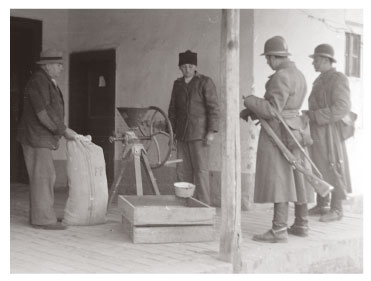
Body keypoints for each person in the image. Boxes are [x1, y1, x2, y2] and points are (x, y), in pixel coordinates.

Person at [241, 36, 313, 243]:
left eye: (268, 59)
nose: (267, 62)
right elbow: (286, 106)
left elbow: (273, 109)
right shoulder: (298, 75)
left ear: (273, 57)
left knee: (279, 179)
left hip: (279, 133)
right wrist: (251, 111)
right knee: (298, 176)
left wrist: (250, 100)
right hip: (295, 129)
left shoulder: (280, 76)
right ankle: (301, 223)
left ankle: (279, 230)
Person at [17, 49, 77, 230]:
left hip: (40, 136)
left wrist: (61, 129)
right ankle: (44, 219)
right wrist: (63, 130)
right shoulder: (38, 82)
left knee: (44, 176)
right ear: (47, 66)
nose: (61, 68)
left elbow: (49, 111)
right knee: (43, 177)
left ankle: (42, 215)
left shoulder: (46, 81)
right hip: (36, 136)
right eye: (58, 65)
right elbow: (42, 113)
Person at [305, 44, 352, 222]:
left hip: (330, 131)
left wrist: (316, 116)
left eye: (315, 60)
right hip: (318, 129)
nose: (313, 63)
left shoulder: (338, 78)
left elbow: (342, 107)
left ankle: (337, 209)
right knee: (319, 166)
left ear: (325, 60)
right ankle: (322, 203)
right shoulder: (321, 79)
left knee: (334, 166)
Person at [168, 50, 219, 205]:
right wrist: (172, 134)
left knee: (201, 171)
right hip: (182, 135)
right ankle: (185, 203)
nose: (187, 69)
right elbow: (172, 110)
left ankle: (204, 205)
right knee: (183, 172)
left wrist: (211, 131)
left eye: (190, 66)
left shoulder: (205, 82)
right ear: (180, 68)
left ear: (195, 66)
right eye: (183, 67)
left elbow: (213, 108)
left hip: (200, 135)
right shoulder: (177, 85)